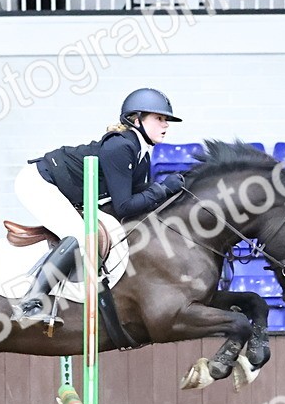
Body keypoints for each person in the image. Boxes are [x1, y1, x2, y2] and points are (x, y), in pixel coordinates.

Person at [10, 87, 187, 328]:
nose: (165, 125)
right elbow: (125, 206)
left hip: (60, 187)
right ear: (136, 120)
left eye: (166, 119)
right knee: (81, 236)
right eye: (159, 118)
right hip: (38, 182)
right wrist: (163, 189)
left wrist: (167, 193)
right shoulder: (121, 147)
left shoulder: (142, 154)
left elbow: (135, 201)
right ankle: (32, 302)